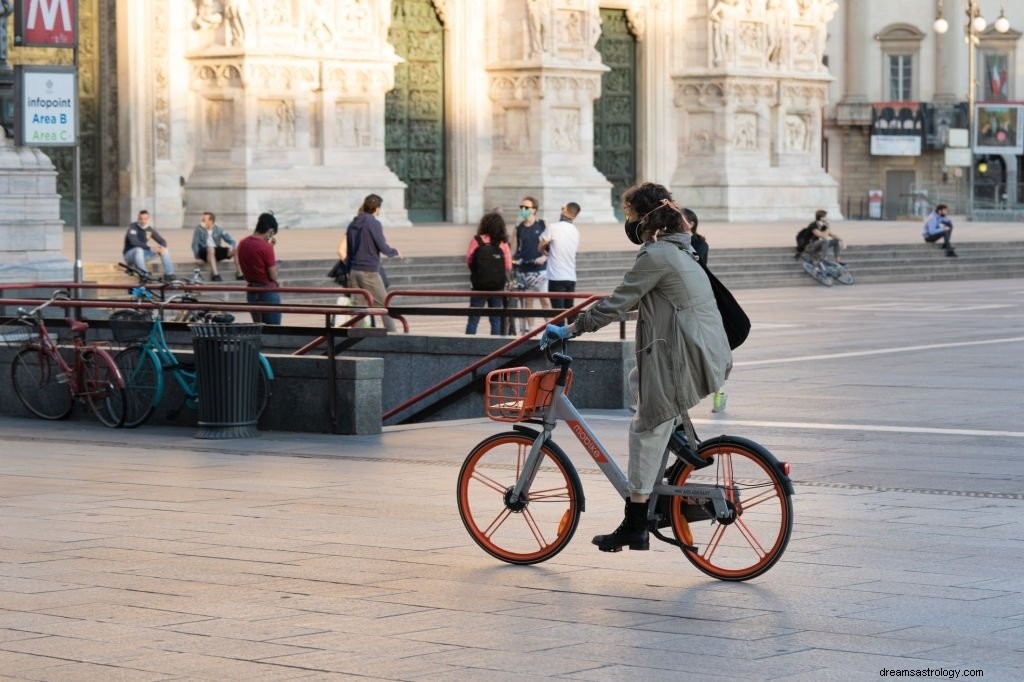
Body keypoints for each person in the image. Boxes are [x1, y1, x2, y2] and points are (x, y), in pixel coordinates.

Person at [545, 182, 732, 553]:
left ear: (645, 218)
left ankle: (635, 523)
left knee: (645, 428)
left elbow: (616, 303)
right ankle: (676, 434)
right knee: (638, 379)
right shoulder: (679, 249)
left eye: (629, 216)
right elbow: (643, 301)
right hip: (703, 350)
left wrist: (569, 329)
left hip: (684, 357)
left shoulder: (657, 256)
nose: (627, 223)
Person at [682, 208, 727, 414]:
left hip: (697, 303)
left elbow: (694, 263)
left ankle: (719, 390)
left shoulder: (699, 244)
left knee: (704, 351)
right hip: (681, 303)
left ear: (690, 223)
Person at [346, 194, 402, 332]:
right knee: (384, 304)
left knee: (359, 306)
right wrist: (394, 252)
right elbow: (382, 246)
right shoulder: (373, 223)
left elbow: (349, 248)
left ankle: (357, 335)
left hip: (354, 270)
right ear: (377, 209)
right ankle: (393, 334)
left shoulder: (353, 223)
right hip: (368, 270)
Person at [465, 212, 513, 335]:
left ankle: (467, 345)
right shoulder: (502, 243)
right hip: (497, 286)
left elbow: (469, 260)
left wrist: (479, 272)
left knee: (473, 318)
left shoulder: (476, 240)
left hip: (479, 285)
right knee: (496, 318)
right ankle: (495, 347)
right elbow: (508, 266)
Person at [236, 212, 281, 325]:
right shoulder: (266, 247)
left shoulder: (242, 243)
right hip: (267, 292)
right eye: (272, 234)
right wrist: (276, 266)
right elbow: (273, 276)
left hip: (251, 291)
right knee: (273, 330)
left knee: (258, 329)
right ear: (270, 231)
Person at [512, 196, 548, 331]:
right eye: (521, 207)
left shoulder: (542, 224)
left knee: (545, 300)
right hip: (525, 269)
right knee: (528, 301)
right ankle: (531, 329)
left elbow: (550, 246)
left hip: (541, 269)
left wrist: (544, 258)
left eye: (526, 208)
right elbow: (513, 250)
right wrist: (513, 260)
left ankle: (550, 327)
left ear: (534, 209)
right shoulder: (518, 228)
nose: (523, 210)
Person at [540, 202, 581, 309]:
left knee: (558, 314)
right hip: (571, 277)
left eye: (563, 208)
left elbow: (540, 245)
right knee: (569, 312)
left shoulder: (553, 227)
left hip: (556, 277)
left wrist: (544, 250)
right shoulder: (575, 231)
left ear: (565, 210)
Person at [123, 210, 175, 281]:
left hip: (141, 256)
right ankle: (144, 275)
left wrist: (162, 247)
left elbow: (162, 240)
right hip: (129, 255)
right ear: (138, 218)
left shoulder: (149, 229)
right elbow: (134, 242)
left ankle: (170, 274)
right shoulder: (133, 227)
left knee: (164, 250)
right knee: (139, 250)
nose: (143, 221)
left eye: (145, 219)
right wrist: (149, 248)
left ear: (148, 219)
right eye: (140, 219)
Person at [190, 211, 239, 281]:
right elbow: (195, 244)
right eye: (202, 219)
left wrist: (232, 246)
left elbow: (231, 240)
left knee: (236, 249)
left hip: (216, 250)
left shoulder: (219, 229)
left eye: (204, 220)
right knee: (211, 249)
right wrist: (197, 257)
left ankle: (239, 273)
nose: (202, 221)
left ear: (211, 221)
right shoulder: (199, 229)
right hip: (204, 250)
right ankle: (215, 274)